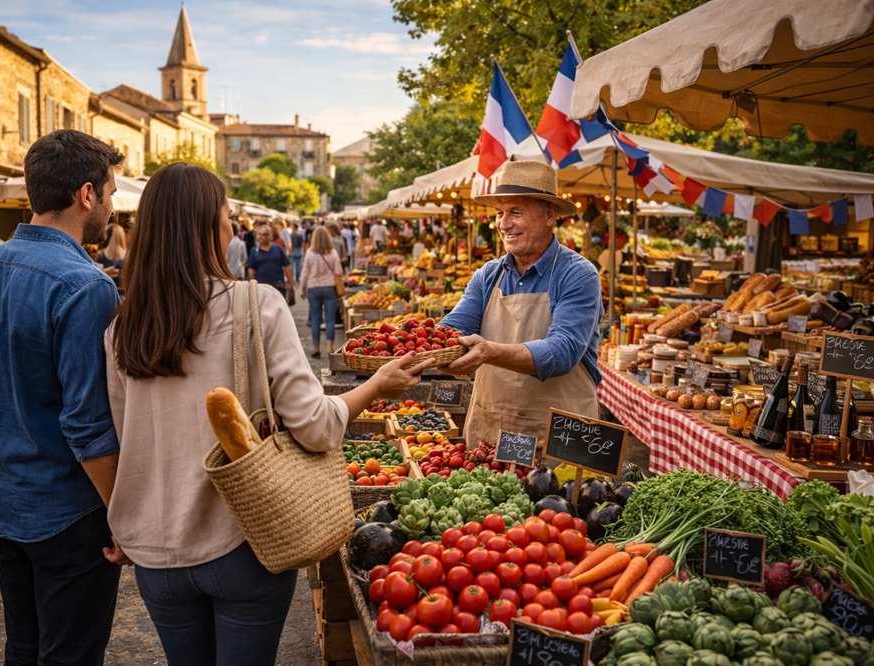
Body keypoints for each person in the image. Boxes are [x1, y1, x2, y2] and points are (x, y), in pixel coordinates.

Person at [102, 162, 434, 665]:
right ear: (209, 228)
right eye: (226, 215)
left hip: (156, 550)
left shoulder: (122, 327)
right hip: (244, 538)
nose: (232, 227)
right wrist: (376, 384)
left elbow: (126, 438)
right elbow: (317, 427)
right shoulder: (257, 305)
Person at [0, 129, 126, 665]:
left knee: (24, 647)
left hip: (1, 498)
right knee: (69, 655)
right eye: (112, 191)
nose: (113, 204)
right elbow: (88, 424)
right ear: (86, 194)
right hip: (67, 512)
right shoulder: (86, 285)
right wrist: (123, 514)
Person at [439, 160, 603, 454]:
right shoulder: (488, 275)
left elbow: (562, 351)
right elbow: (455, 328)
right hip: (493, 429)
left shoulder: (578, 274)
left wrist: (489, 351)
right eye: (500, 213)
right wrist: (430, 347)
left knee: (561, 501)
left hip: (560, 436)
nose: (503, 224)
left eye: (516, 212)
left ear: (549, 214)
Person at [300, 226, 343, 359]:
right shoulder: (333, 252)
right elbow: (339, 271)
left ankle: (316, 347)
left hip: (313, 288)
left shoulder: (309, 253)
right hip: (330, 287)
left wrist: (302, 289)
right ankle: (330, 346)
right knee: (330, 319)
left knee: (316, 318)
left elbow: (305, 273)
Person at [246, 224, 293, 295]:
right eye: (260, 234)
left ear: (270, 236)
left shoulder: (278, 249)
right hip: (261, 287)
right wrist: (252, 284)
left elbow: (287, 265)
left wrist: (290, 281)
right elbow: (251, 268)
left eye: (265, 234)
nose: (262, 237)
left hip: (278, 286)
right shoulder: (254, 251)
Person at [97, 223, 128, 289]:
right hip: (124, 290)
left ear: (107, 236)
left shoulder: (101, 254)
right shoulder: (128, 254)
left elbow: (97, 274)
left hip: (105, 289)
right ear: (122, 236)